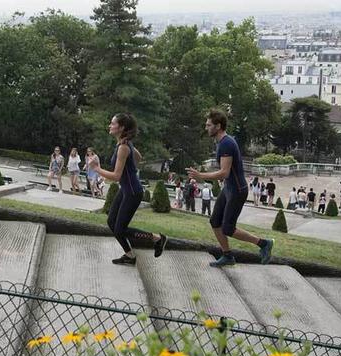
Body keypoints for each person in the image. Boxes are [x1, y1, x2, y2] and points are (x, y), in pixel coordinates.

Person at [186, 109, 274, 266]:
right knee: (215, 221)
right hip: (229, 189)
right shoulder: (222, 142)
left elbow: (224, 173)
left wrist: (200, 176)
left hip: (237, 191)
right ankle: (227, 255)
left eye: (208, 125)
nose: (206, 128)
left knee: (227, 228)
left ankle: (264, 243)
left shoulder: (226, 143)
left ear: (218, 126)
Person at [90, 113, 167, 265]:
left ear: (122, 127)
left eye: (112, 123)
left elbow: (116, 176)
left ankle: (157, 238)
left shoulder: (123, 147)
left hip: (132, 192)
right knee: (112, 222)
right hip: (126, 189)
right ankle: (130, 255)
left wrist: (97, 169)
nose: (109, 125)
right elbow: (138, 157)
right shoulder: (124, 143)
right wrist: (130, 169)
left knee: (120, 229)